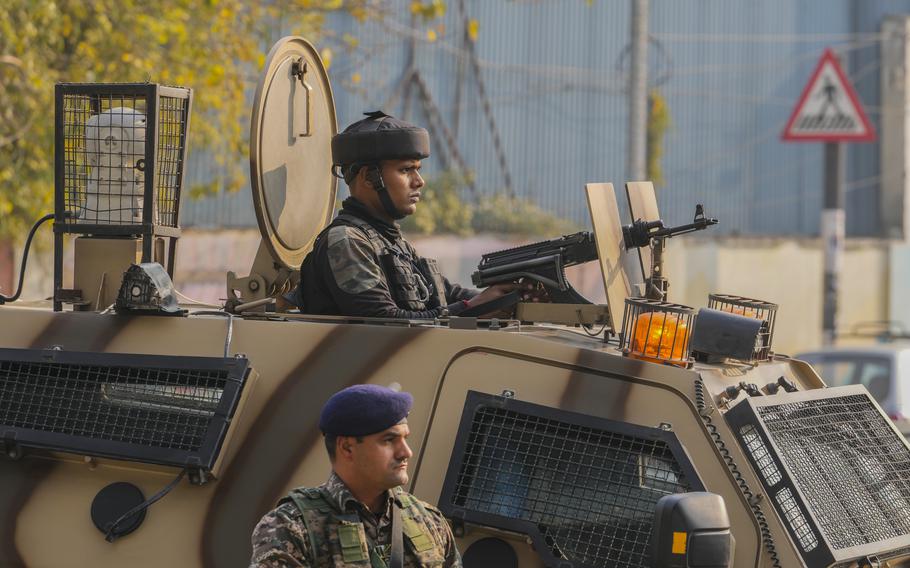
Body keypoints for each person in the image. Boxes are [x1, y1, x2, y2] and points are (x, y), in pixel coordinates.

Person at [293, 110, 520, 318]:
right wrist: (473, 308)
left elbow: (446, 293)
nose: (419, 182)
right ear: (368, 177)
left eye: (417, 170)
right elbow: (386, 323)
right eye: (405, 170)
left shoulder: (392, 243)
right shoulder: (347, 242)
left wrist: (508, 293)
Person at [249, 384, 462, 567]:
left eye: (405, 439)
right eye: (389, 440)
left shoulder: (429, 521)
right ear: (347, 448)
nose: (406, 452)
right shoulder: (291, 527)